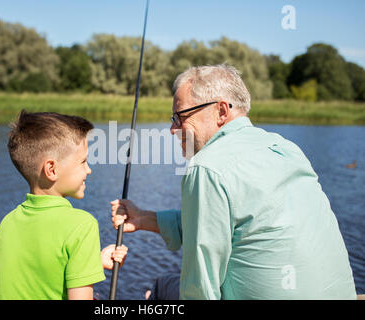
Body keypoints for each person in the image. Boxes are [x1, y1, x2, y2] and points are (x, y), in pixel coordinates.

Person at [111, 64, 357, 300]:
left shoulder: (207, 166)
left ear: (221, 111)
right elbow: (220, 225)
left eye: (180, 116)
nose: (173, 129)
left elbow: (200, 288)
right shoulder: (285, 148)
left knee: (163, 286)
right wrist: (143, 218)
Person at [0, 110, 128, 300]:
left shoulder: (7, 223)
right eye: (83, 161)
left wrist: (92, 262)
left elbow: (38, 273)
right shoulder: (82, 225)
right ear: (52, 169)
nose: (88, 170)